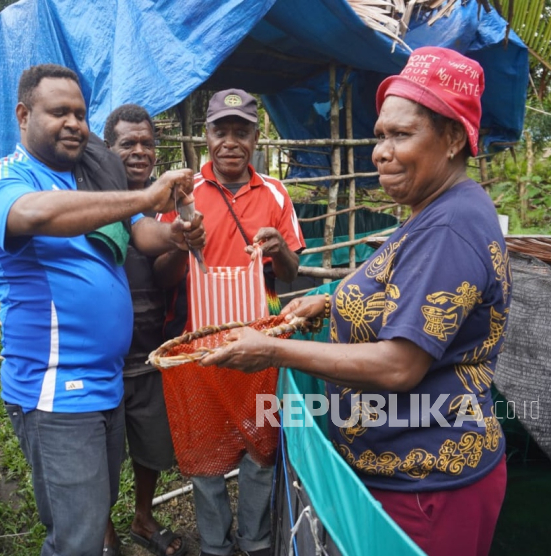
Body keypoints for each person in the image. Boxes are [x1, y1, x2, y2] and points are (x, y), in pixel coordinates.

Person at [200, 47, 511, 556]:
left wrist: (273, 350)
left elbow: (398, 366)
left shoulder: (451, 227)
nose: (381, 152)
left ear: (454, 138)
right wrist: (329, 300)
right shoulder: (436, 209)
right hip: (405, 469)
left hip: (428, 484)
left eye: (401, 135)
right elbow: (399, 285)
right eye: (380, 136)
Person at [0, 64, 204, 556]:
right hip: (56, 390)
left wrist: (174, 234)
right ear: (23, 115)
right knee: (76, 539)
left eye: (80, 113)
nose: (74, 122)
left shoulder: (90, 180)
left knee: (93, 511)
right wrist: (143, 195)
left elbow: (137, 231)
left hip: (105, 383)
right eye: (59, 112)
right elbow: (35, 216)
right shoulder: (5, 179)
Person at [157, 89, 305, 556]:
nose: (231, 142)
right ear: (207, 135)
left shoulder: (275, 194)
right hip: (197, 350)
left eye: (241, 131)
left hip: (260, 349)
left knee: (261, 449)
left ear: (256, 137)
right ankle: (216, 546)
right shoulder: (185, 196)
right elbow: (160, 273)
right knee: (204, 456)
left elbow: (291, 273)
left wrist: (279, 249)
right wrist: (179, 243)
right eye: (221, 130)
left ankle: (256, 540)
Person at [102, 103, 187, 556]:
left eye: (147, 143)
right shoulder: (95, 201)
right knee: (102, 456)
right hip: (104, 363)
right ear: (107, 149)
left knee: (151, 448)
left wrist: (183, 242)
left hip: (150, 353)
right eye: (127, 143)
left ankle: (142, 515)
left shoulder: (157, 211)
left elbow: (164, 276)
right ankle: (104, 531)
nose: (139, 152)